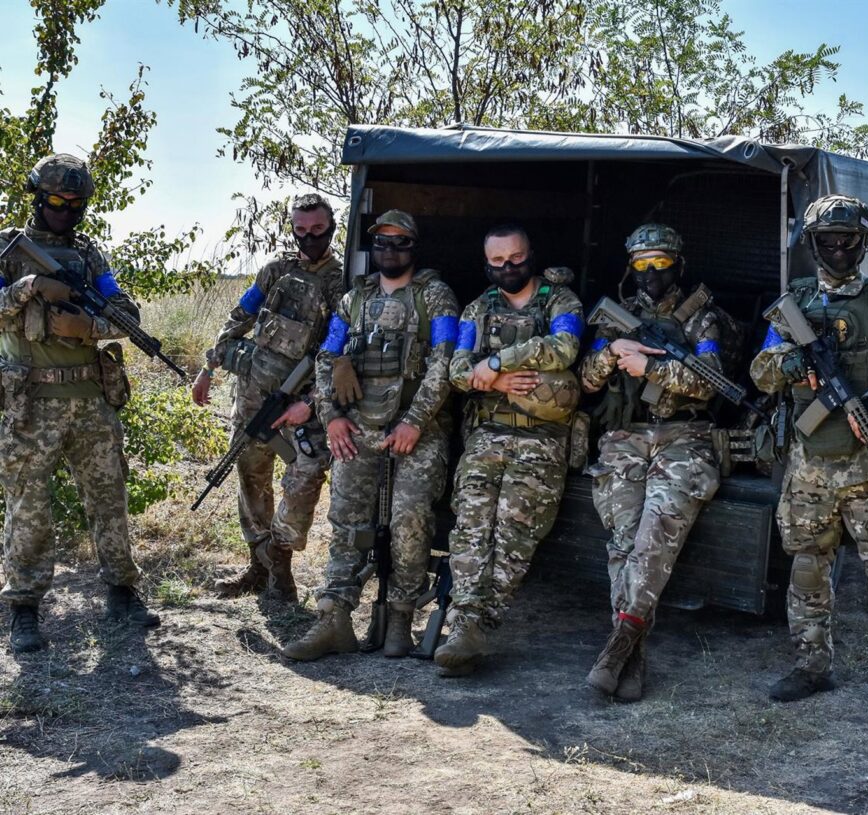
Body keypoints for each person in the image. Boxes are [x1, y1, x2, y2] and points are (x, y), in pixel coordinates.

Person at [750, 194, 868, 719]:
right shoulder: (794, 304)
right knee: (807, 568)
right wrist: (791, 364)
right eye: (827, 240)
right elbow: (760, 370)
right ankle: (811, 665)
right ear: (812, 244)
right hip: (809, 466)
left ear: (863, 243)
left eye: (847, 240)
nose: (837, 250)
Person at [0, 153, 159, 652]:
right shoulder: (8, 249)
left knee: (109, 499)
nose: (65, 211)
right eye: (56, 201)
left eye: (75, 204)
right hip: (30, 404)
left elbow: (126, 314)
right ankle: (24, 607)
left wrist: (87, 326)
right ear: (36, 198)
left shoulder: (90, 257)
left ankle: (122, 591)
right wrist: (28, 288)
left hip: (91, 400)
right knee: (28, 507)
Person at [282, 209, 458, 660]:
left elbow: (444, 363)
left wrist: (415, 421)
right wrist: (331, 417)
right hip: (357, 427)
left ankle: (399, 617)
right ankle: (334, 618)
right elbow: (326, 357)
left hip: (417, 430)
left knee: (409, 522)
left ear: (413, 247)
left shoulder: (435, 296)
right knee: (346, 521)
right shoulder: (354, 300)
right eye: (381, 242)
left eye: (400, 242)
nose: (389, 250)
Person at [578, 223, 721, 701]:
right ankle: (632, 655)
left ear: (678, 265)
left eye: (660, 263)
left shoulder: (701, 318)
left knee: (652, 539)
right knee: (623, 543)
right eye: (641, 264)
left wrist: (653, 368)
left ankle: (619, 644)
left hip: (684, 437)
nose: (651, 273)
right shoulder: (617, 318)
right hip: (626, 436)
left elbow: (711, 382)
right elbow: (587, 381)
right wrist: (612, 353)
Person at [432, 224, 583, 677]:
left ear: (530, 255)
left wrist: (499, 362)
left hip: (542, 436)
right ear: (487, 264)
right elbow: (458, 369)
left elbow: (565, 348)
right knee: (471, 526)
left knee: (514, 530)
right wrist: (494, 382)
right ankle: (463, 625)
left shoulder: (560, 301)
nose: (507, 268)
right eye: (497, 261)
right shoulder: (478, 309)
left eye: (515, 258)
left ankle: (480, 623)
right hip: (488, 432)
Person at [191, 194, 344, 602]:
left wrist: (310, 402)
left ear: (332, 227)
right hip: (253, 397)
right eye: (301, 230)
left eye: (318, 229)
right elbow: (239, 318)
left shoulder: (341, 283)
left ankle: (278, 553)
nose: (309, 237)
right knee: (251, 479)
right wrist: (208, 368)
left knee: (305, 477)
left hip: (301, 406)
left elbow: (340, 352)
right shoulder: (275, 270)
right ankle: (263, 571)